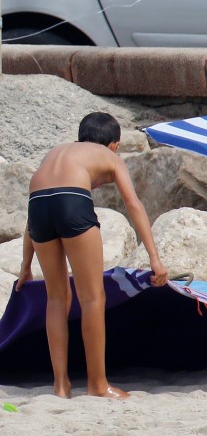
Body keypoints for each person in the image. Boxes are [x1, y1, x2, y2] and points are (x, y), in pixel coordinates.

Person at [15, 112, 168, 399]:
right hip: (71, 202)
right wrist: (154, 257)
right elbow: (133, 204)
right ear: (113, 145)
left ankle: (61, 385)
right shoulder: (108, 156)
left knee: (56, 298)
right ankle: (98, 384)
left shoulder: (56, 154)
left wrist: (26, 266)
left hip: (37, 206)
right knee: (92, 297)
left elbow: (34, 216)